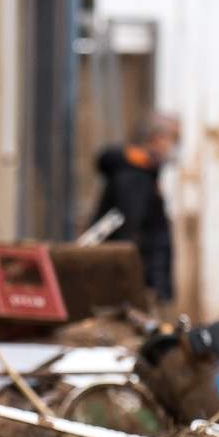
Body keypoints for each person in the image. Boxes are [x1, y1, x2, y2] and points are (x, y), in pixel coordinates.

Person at [92, 114, 179, 308]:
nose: (173, 146)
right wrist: (144, 286)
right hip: (134, 286)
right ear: (157, 139)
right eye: (173, 139)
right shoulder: (135, 177)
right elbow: (130, 236)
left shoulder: (145, 173)